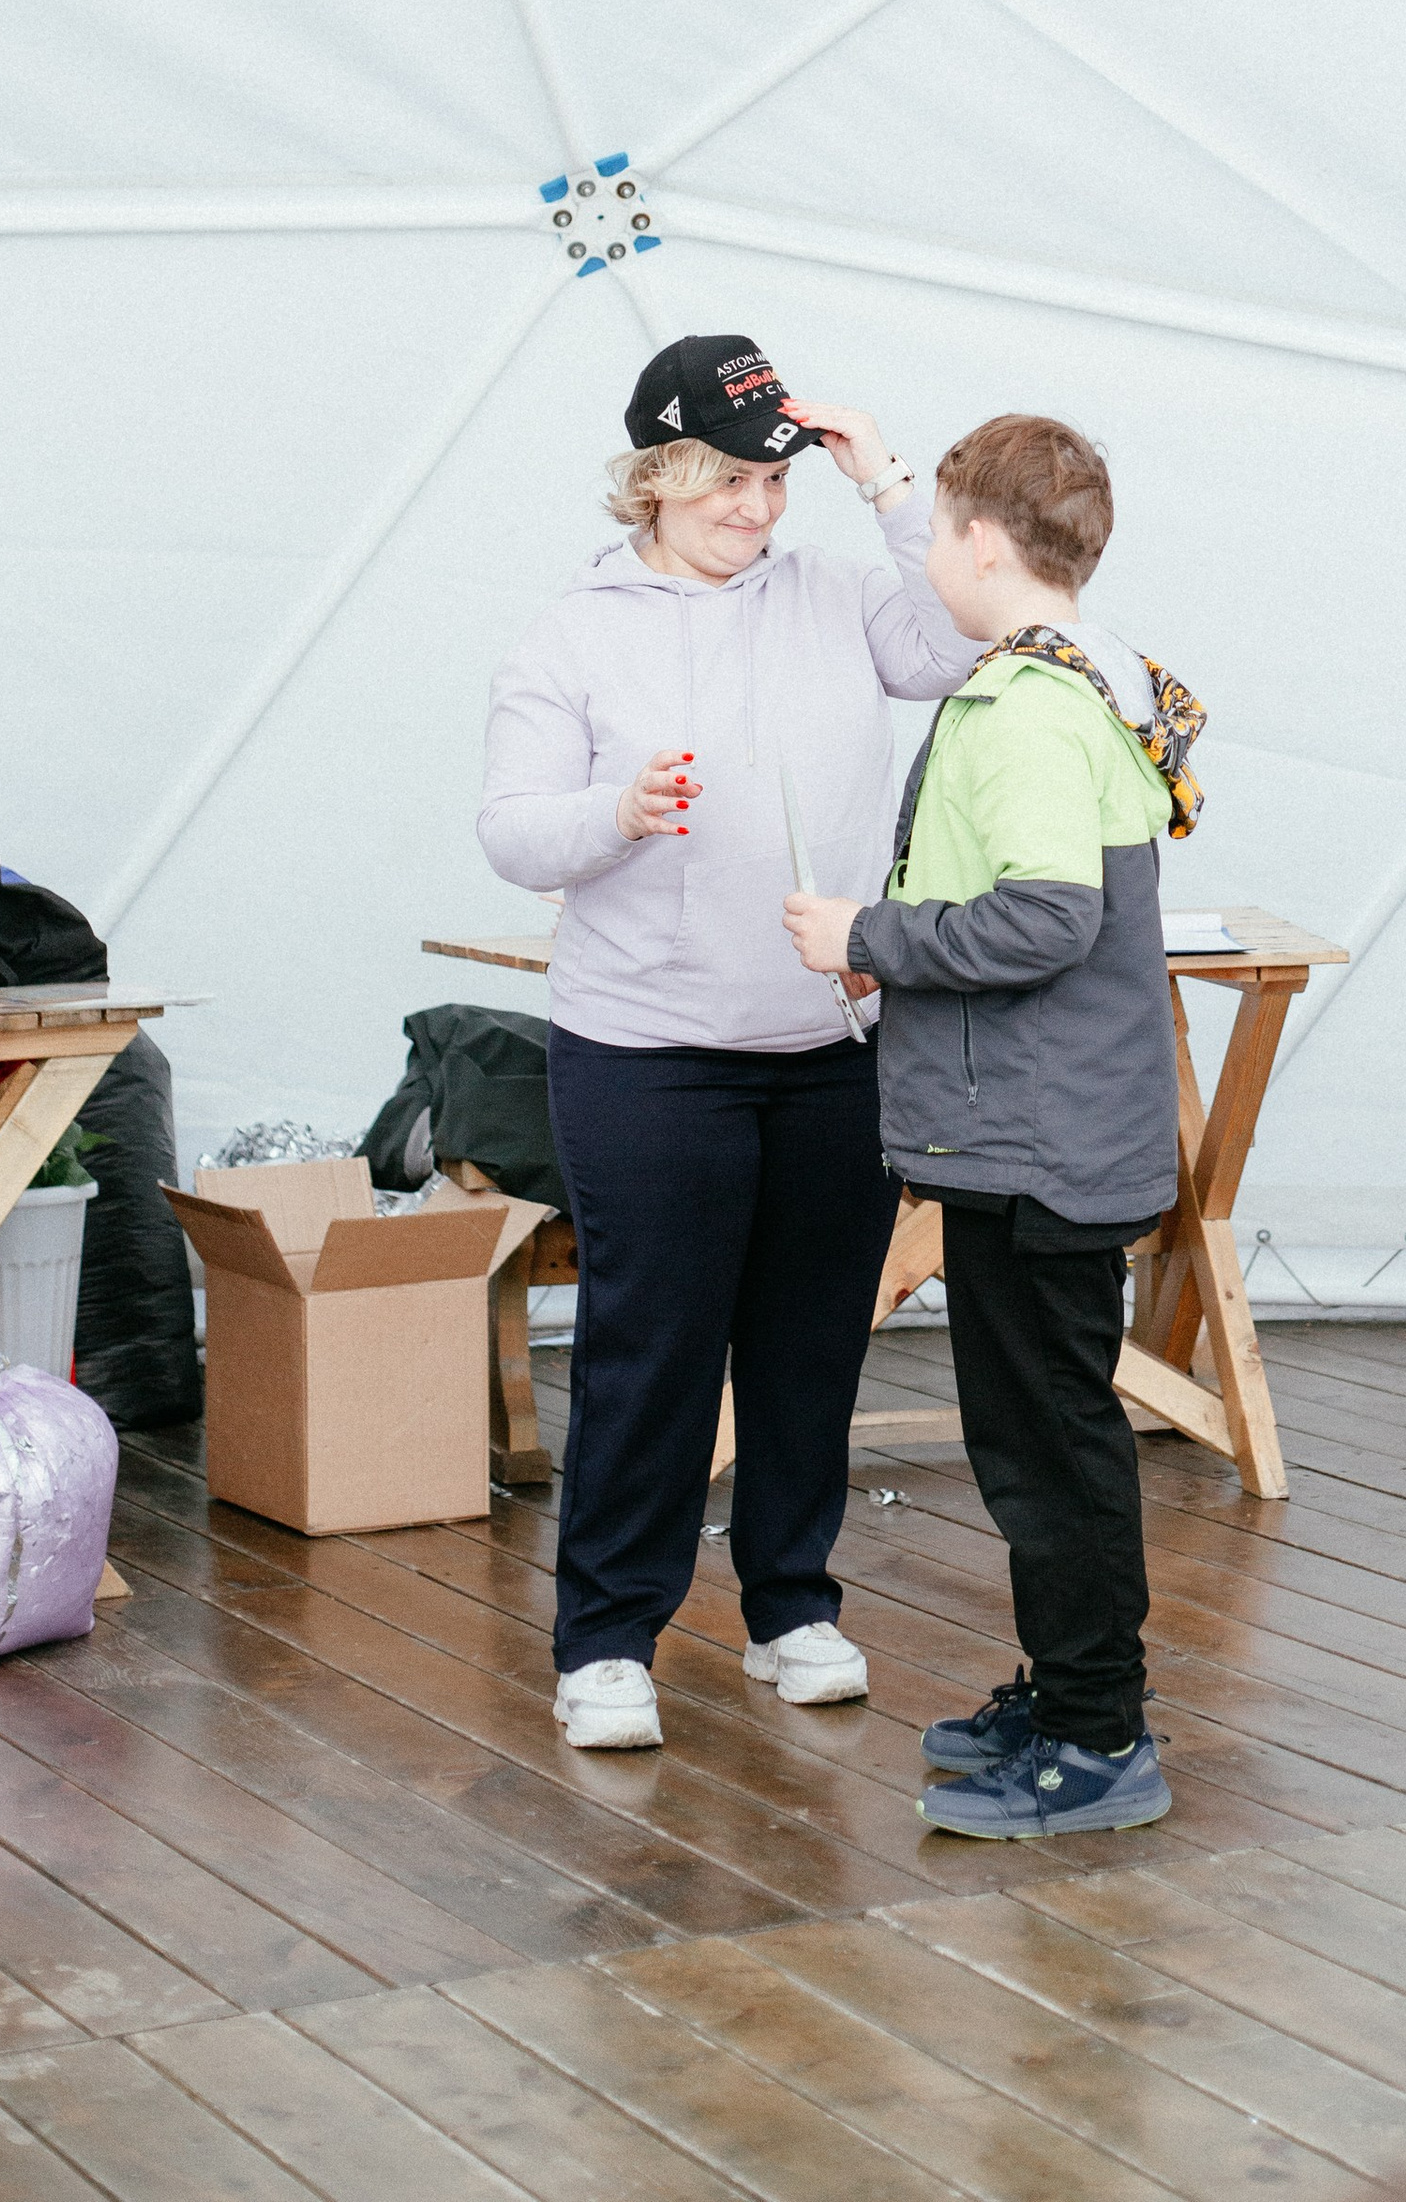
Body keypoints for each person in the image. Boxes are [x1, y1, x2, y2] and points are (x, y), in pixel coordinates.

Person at [478, 330, 976, 1753]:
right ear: (653, 482)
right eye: (725, 490)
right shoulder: (572, 635)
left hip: (831, 1043)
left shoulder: (836, 594)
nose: (757, 514)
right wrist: (618, 813)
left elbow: (957, 640)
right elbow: (513, 833)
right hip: (647, 1052)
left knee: (810, 1344)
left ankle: (792, 1611)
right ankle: (606, 1642)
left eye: (775, 483)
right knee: (654, 1346)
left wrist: (883, 476)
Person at [782, 411, 1205, 1838]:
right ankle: (1070, 1689)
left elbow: (1045, 915)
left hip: (1035, 1137)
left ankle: (1100, 1734)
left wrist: (869, 930)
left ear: (974, 544)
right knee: (1035, 1434)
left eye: (936, 537)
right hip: (1038, 1130)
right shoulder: (1080, 677)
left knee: (1049, 1449)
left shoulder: (1020, 708)